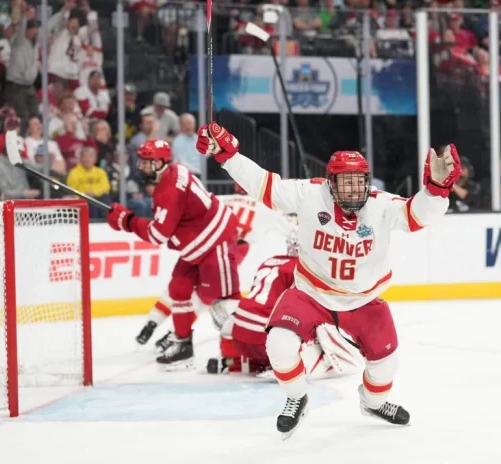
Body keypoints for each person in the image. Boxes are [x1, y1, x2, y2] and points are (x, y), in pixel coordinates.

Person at [196, 122, 461, 438]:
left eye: (358, 182)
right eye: (344, 183)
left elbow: (418, 216)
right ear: (330, 183)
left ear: (367, 182)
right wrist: (227, 155)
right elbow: (263, 184)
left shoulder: (380, 203)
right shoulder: (310, 193)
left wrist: (436, 190)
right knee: (279, 344)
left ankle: (373, 403)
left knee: (387, 364)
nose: (352, 190)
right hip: (311, 294)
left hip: (363, 301)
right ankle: (297, 397)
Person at [106, 139, 241, 369]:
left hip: (215, 242)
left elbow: (159, 235)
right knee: (179, 286)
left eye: (148, 163)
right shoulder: (173, 173)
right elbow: (175, 225)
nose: (142, 167)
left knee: (226, 302)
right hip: (197, 244)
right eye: (142, 162)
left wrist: (127, 221)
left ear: (160, 163)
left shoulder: (168, 190)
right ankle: (183, 346)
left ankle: (245, 352)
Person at [134, 180, 294, 351]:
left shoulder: (221, 198)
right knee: (203, 297)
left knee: (179, 288)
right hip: (229, 250)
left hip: (201, 244)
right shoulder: (265, 208)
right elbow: (293, 229)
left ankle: (151, 323)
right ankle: (175, 334)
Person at [207, 219, 364, 380]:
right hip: (265, 341)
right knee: (320, 325)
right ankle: (295, 366)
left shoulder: (270, 260)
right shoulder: (303, 269)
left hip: (240, 337)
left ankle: (235, 361)